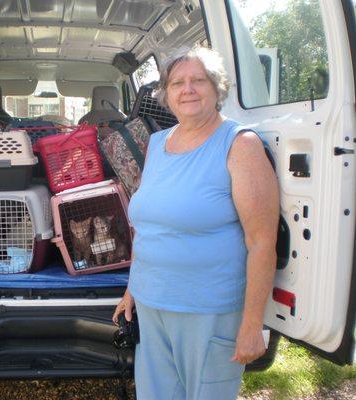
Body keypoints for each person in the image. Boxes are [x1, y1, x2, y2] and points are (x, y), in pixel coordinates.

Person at [112, 46, 279, 400]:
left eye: (198, 81)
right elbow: (150, 223)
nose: (187, 89)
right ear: (166, 94)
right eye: (177, 83)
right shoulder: (158, 143)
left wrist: (252, 324)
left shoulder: (239, 144)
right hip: (152, 302)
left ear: (216, 89)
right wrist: (132, 288)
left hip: (209, 309)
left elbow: (262, 242)